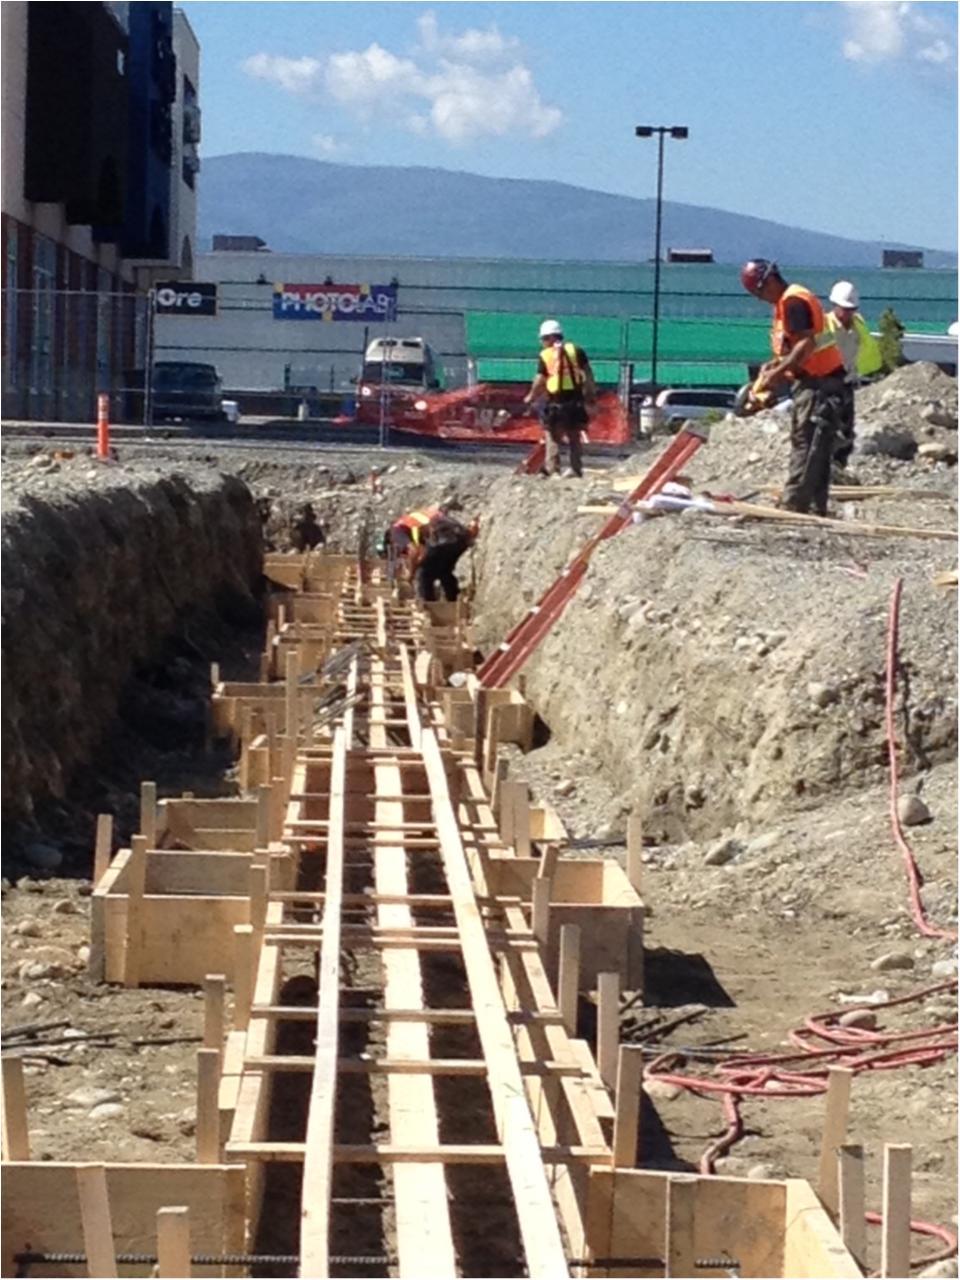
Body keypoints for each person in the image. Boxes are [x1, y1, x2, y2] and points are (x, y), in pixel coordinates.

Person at [740, 259, 847, 516]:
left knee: (807, 442)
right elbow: (792, 344)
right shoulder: (786, 302)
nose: (760, 299)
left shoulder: (793, 302)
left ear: (769, 282)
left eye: (758, 292)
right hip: (814, 379)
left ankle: (795, 502)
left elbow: (805, 345)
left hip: (819, 381)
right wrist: (775, 365)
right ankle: (815, 505)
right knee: (814, 445)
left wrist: (777, 374)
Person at [523, 319, 596, 478]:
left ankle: (553, 470)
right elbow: (588, 374)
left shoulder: (546, 355)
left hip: (556, 401)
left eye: (543, 339)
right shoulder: (576, 350)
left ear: (549, 337)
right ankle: (576, 469)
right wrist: (590, 395)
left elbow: (540, 379)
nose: (542, 343)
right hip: (575, 400)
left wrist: (531, 396)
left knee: (552, 436)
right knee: (574, 436)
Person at [824, 280, 883, 467]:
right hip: (827, 382)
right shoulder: (825, 325)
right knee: (826, 427)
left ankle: (840, 466)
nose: (848, 313)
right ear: (835, 305)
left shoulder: (858, 325)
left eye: (852, 309)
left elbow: (867, 348)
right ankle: (824, 467)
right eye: (845, 309)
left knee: (846, 430)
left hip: (847, 381)